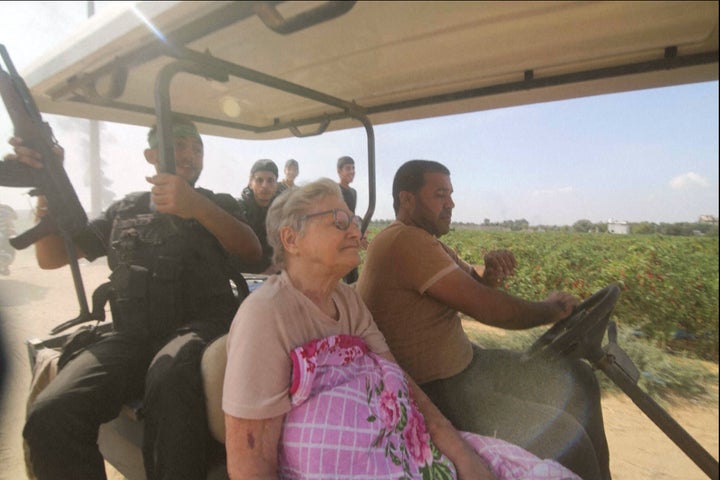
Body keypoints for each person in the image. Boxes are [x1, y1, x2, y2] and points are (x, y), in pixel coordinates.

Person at [222, 178, 579, 480]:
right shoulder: (266, 316)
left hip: (401, 448)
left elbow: (399, 383)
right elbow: (251, 461)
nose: (354, 230)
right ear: (291, 239)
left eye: (352, 219)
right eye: (337, 220)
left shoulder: (347, 300)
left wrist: (464, 456)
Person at [9, 114, 263, 480]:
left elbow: (252, 250)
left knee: (170, 377)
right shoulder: (125, 209)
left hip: (200, 329)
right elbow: (51, 257)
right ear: (151, 155)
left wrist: (193, 206)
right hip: (132, 336)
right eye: (178, 144)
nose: (190, 154)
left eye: (197, 148)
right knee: (52, 412)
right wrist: (49, 182)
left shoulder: (216, 203)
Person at [356, 160, 612, 480]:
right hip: (438, 390)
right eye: (439, 194)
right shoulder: (402, 241)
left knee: (579, 376)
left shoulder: (427, 241)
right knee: (568, 437)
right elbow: (490, 309)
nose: (450, 203)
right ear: (406, 199)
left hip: (470, 365)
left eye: (450, 194)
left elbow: (474, 284)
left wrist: (489, 274)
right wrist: (550, 310)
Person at [237, 158, 281, 274]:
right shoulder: (238, 209)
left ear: (276, 185)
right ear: (251, 183)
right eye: (259, 180)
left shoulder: (283, 212)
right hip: (242, 276)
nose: (265, 186)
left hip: (274, 276)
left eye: (270, 180)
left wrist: (270, 272)